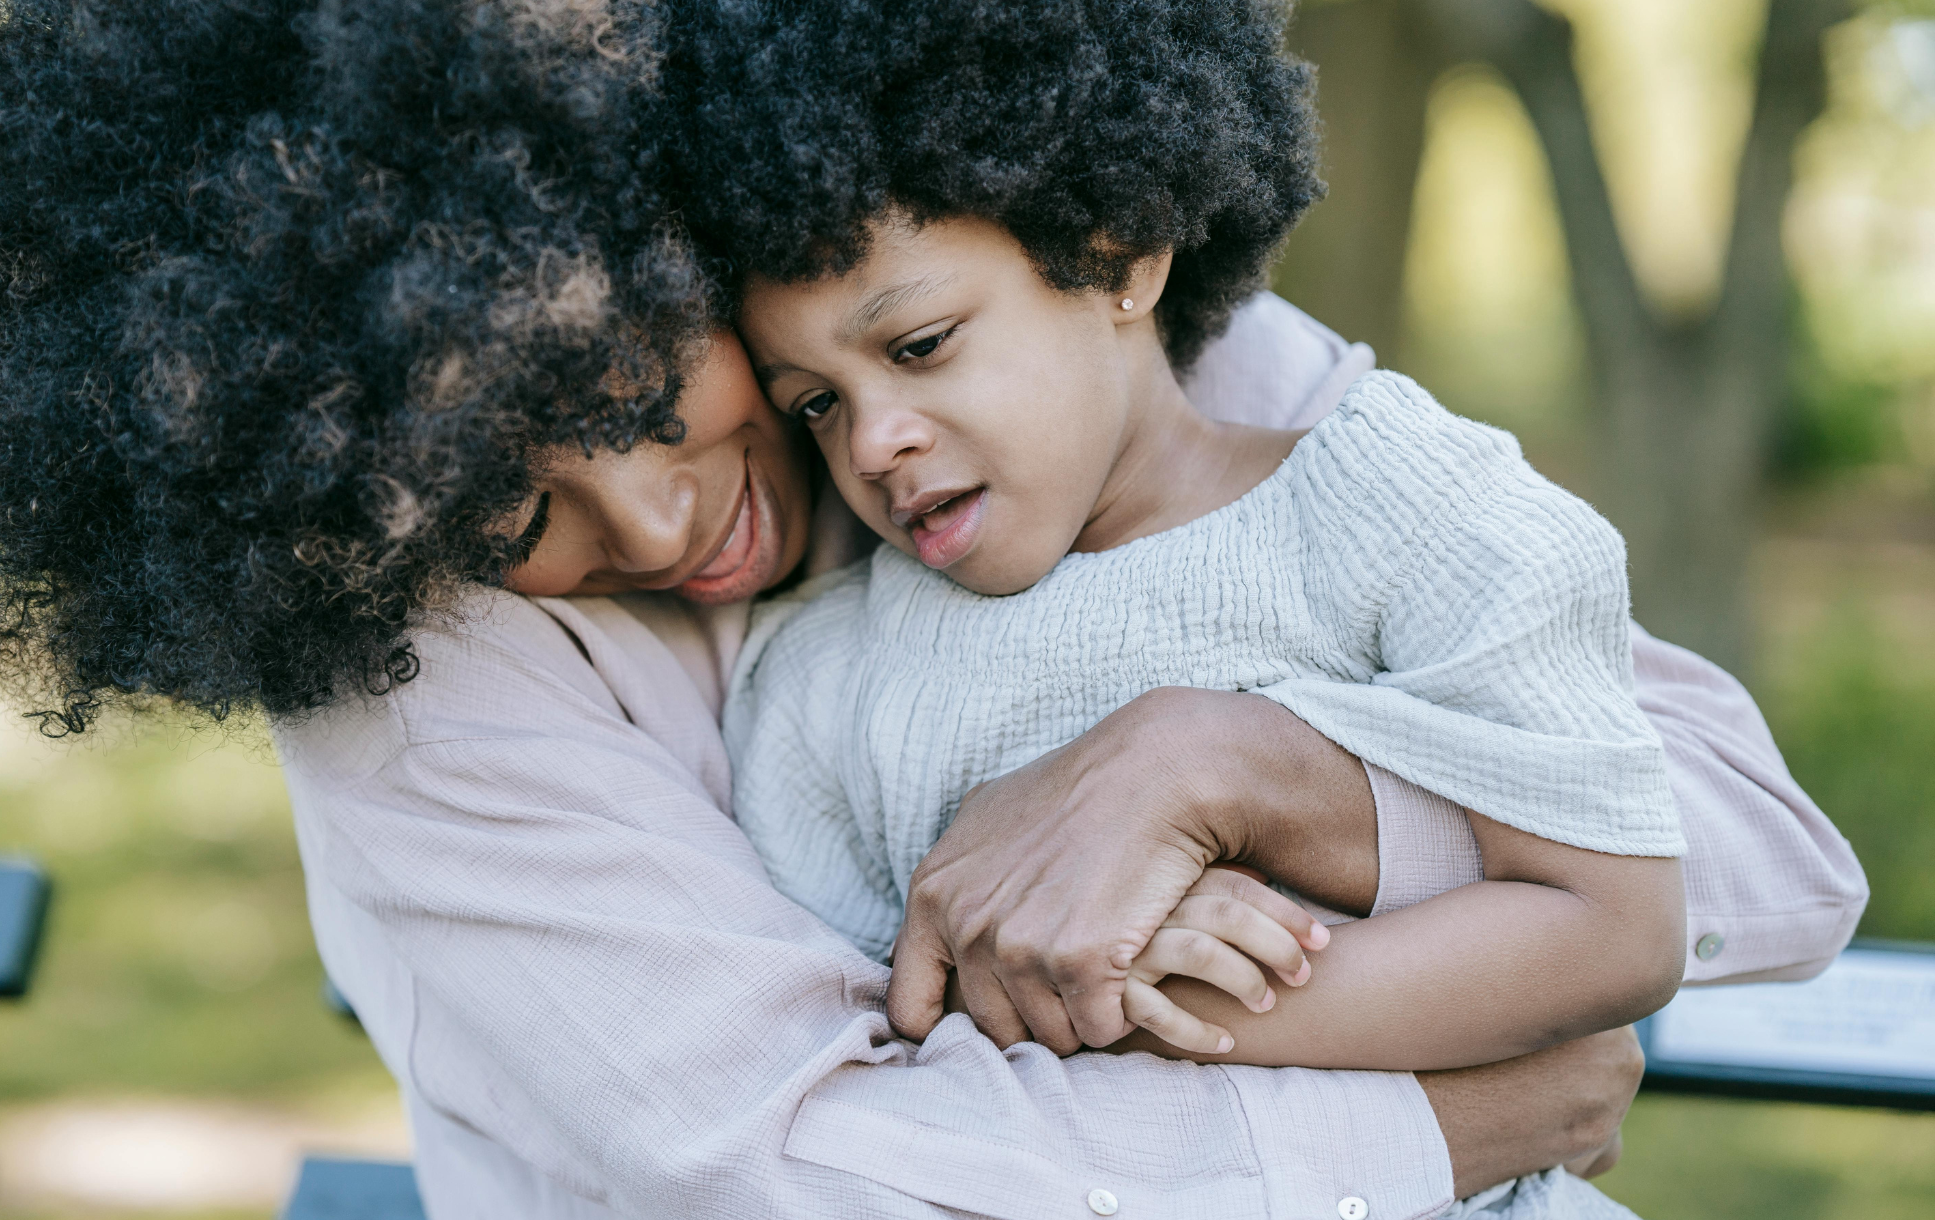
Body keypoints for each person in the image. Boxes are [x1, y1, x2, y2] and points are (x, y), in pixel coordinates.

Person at [0, 2, 1867, 1218]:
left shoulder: (1076, 320)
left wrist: (1241, 770)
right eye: (514, 508)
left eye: (626, 383)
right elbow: (792, 1164)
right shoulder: (419, 682)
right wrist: (1446, 1110)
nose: (662, 516)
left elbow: (1749, 851)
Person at [695, 0, 1685, 1071]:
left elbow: (1615, 925)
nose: (874, 442)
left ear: (1117, 254)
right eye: (815, 404)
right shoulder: (825, 678)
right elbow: (863, 1060)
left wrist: (1150, 994)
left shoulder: (1396, 506)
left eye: (920, 344)